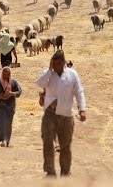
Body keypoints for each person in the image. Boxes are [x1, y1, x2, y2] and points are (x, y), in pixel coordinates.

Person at [36, 50, 86, 178]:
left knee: (65, 145)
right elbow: (40, 83)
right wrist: (49, 69)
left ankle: (65, 172)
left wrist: (82, 109)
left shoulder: (72, 75)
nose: (56, 66)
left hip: (66, 115)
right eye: (54, 63)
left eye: (58, 63)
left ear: (63, 62)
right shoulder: (48, 74)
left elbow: (79, 92)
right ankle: (50, 171)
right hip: (50, 114)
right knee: (47, 141)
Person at [0, 67, 22, 147]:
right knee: (2, 121)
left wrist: (11, 93)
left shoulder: (14, 82)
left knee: (9, 123)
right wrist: (0, 97)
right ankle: (3, 140)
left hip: (10, 106)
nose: (6, 74)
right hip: (1, 105)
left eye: (8, 72)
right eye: (5, 72)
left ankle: (7, 140)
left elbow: (19, 92)